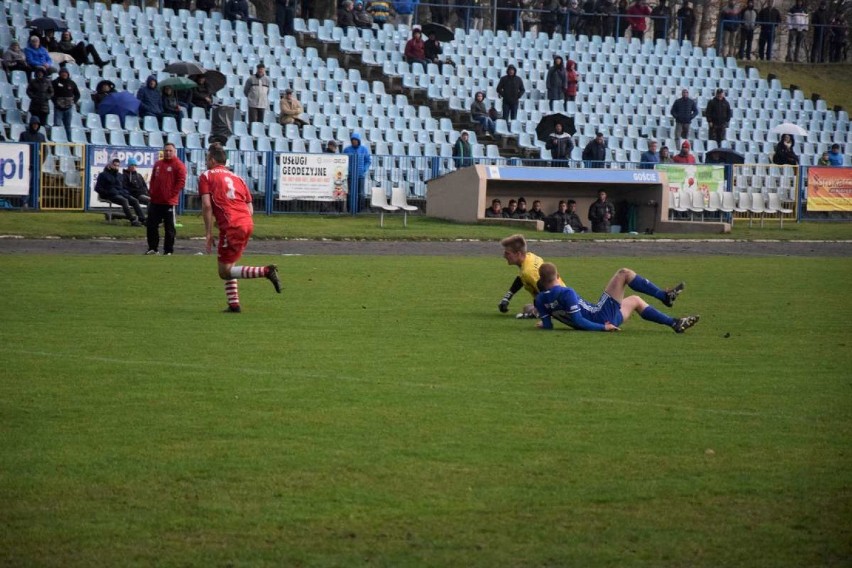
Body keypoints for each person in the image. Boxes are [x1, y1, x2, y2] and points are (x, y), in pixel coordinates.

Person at [199, 145, 282, 313]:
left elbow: (207, 206)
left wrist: (208, 233)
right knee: (230, 264)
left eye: (208, 159)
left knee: (224, 272)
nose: (206, 162)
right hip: (246, 222)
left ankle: (266, 271)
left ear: (212, 160)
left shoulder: (206, 176)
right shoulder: (238, 178)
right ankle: (234, 304)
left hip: (232, 225)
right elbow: (250, 209)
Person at [533, 262, 697, 333]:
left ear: (541, 280)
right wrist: (604, 328)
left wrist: (543, 322)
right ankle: (663, 296)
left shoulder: (539, 300)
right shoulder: (566, 292)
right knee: (624, 273)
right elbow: (578, 321)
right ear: (558, 275)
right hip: (600, 317)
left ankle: (674, 322)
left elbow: (548, 326)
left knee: (635, 301)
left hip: (600, 317)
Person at [498, 233, 565, 318]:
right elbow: (521, 278)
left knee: (529, 309)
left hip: (559, 302)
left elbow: (549, 293)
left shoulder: (529, 272)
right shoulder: (530, 257)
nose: (504, 256)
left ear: (518, 254)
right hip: (563, 296)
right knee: (528, 307)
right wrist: (507, 297)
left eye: (507, 253)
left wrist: (534, 314)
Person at [146, 143, 187, 256]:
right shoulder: (158, 164)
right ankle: (153, 248)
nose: (168, 153)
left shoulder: (179, 165)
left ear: (174, 152)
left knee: (169, 228)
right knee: (151, 225)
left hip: (169, 202)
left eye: (170, 151)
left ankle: (168, 250)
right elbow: (153, 179)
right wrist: (152, 192)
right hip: (155, 201)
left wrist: (171, 195)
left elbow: (181, 182)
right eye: (166, 150)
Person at [95, 157, 146, 226]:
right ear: (109, 165)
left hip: (121, 193)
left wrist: (125, 192)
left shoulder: (119, 175)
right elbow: (97, 188)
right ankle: (132, 220)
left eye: (117, 165)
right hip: (111, 194)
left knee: (135, 200)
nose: (116, 167)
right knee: (124, 200)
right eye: (114, 165)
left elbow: (123, 187)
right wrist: (107, 193)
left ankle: (143, 219)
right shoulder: (103, 175)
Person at [343, 132, 372, 210]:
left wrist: (364, 169)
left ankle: (360, 210)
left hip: (360, 175)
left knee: (360, 193)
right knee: (350, 192)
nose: (354, 141)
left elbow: (368, 161)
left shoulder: (364, 149)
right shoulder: (347, 150)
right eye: (352, 140)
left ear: (358, 140)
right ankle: (350, 209)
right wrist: (348, 170)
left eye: (355, 140)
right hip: (350, 175)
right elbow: (343, 161)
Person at [51, 67, 80, 141]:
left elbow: (77, 94)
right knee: (57, 125)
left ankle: (69, 141)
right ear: (60, 74)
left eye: (65, 72)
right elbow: (51, 93)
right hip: (58, 107)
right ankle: (56, 141)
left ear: (68, 74)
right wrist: (55, 101)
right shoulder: (55, 82)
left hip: (69, 107)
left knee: (68, 126)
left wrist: (74, 101)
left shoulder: (72, 83)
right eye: (62, 72)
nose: (64, 74)